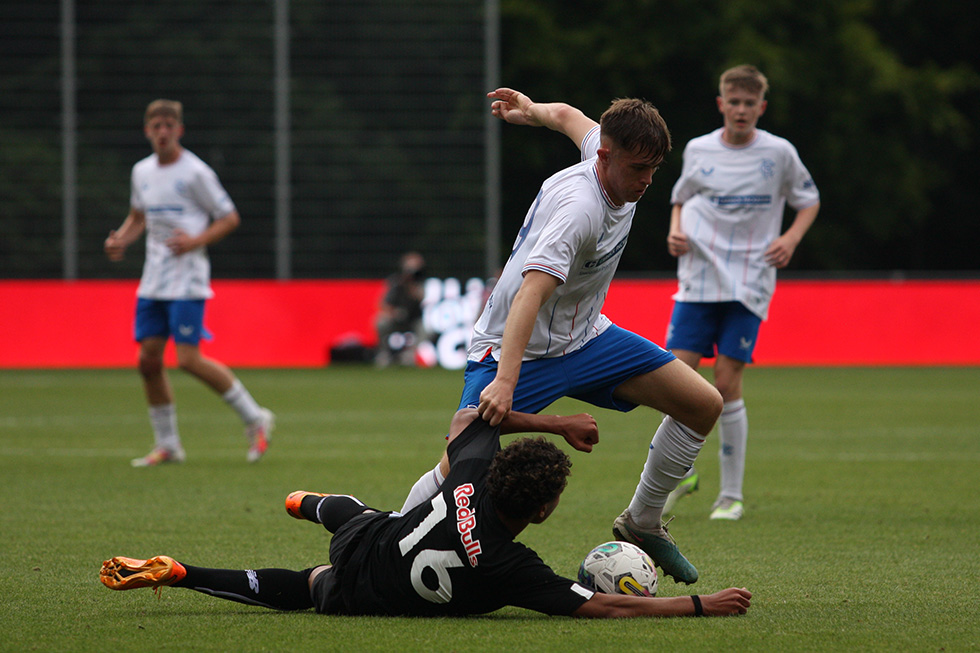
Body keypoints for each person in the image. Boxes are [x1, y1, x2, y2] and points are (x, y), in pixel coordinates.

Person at [400, 89, 723, 586]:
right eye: (638, 169)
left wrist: (530, 113)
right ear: (606, 157)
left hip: (588, 339)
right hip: (515, 348)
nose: (646, 181)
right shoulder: (579, 211)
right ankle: (385, 545)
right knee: (459, 461)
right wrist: (505, 382)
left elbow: (569, 116)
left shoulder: (607, 148)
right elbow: (529, 296)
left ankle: (641, 521)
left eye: (654, 169)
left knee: (703, 403)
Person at [100, 408, 752, 618]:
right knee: (304, 586)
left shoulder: (470, 472)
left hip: (377, 536)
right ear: (546, 509)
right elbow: (605, 606)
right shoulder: (509, 564)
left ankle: (305, 502)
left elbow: (474, 417)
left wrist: (552, 422)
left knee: (356, 514)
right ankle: (183, 571)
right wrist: (699, 605)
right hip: (363, 590)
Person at [662, 65, 820, 521]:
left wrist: (790, 239)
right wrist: (675, 230)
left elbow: (808, 200)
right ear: (721, 105)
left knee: (727, 383)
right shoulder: (699, 149)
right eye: (734, 102)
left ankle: (730, 495)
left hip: (750, 279)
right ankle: (681, 471)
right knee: (675, 380)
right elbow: (679, 197)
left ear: (761, 108)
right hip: (699, 277)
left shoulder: (779, 153)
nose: (742, 110)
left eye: (750, 104)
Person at [103, 99, 274, 467]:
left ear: (179, 130)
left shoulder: (195, 172)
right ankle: (168, 445)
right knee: (148, 360)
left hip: (187, 280)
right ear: (147, 131)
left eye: (169, 125)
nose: (163, 132)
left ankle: (254, 417)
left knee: (187, 359)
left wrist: (195, 241)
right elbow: (138, 216)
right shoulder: (142, 172)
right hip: (154, 279)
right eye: (156, 126)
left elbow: (229, 218)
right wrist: (121, 238)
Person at [374, 251, 427, 367]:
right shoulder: (395, 281)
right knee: (380, 322)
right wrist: (393, 313)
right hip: (397, 317)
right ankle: (385, 353)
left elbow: (421, 298)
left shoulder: (420, 283)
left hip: (413, 320)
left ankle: (410, 354)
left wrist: (411, 285)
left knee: (426, 328)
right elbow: (383, 304)